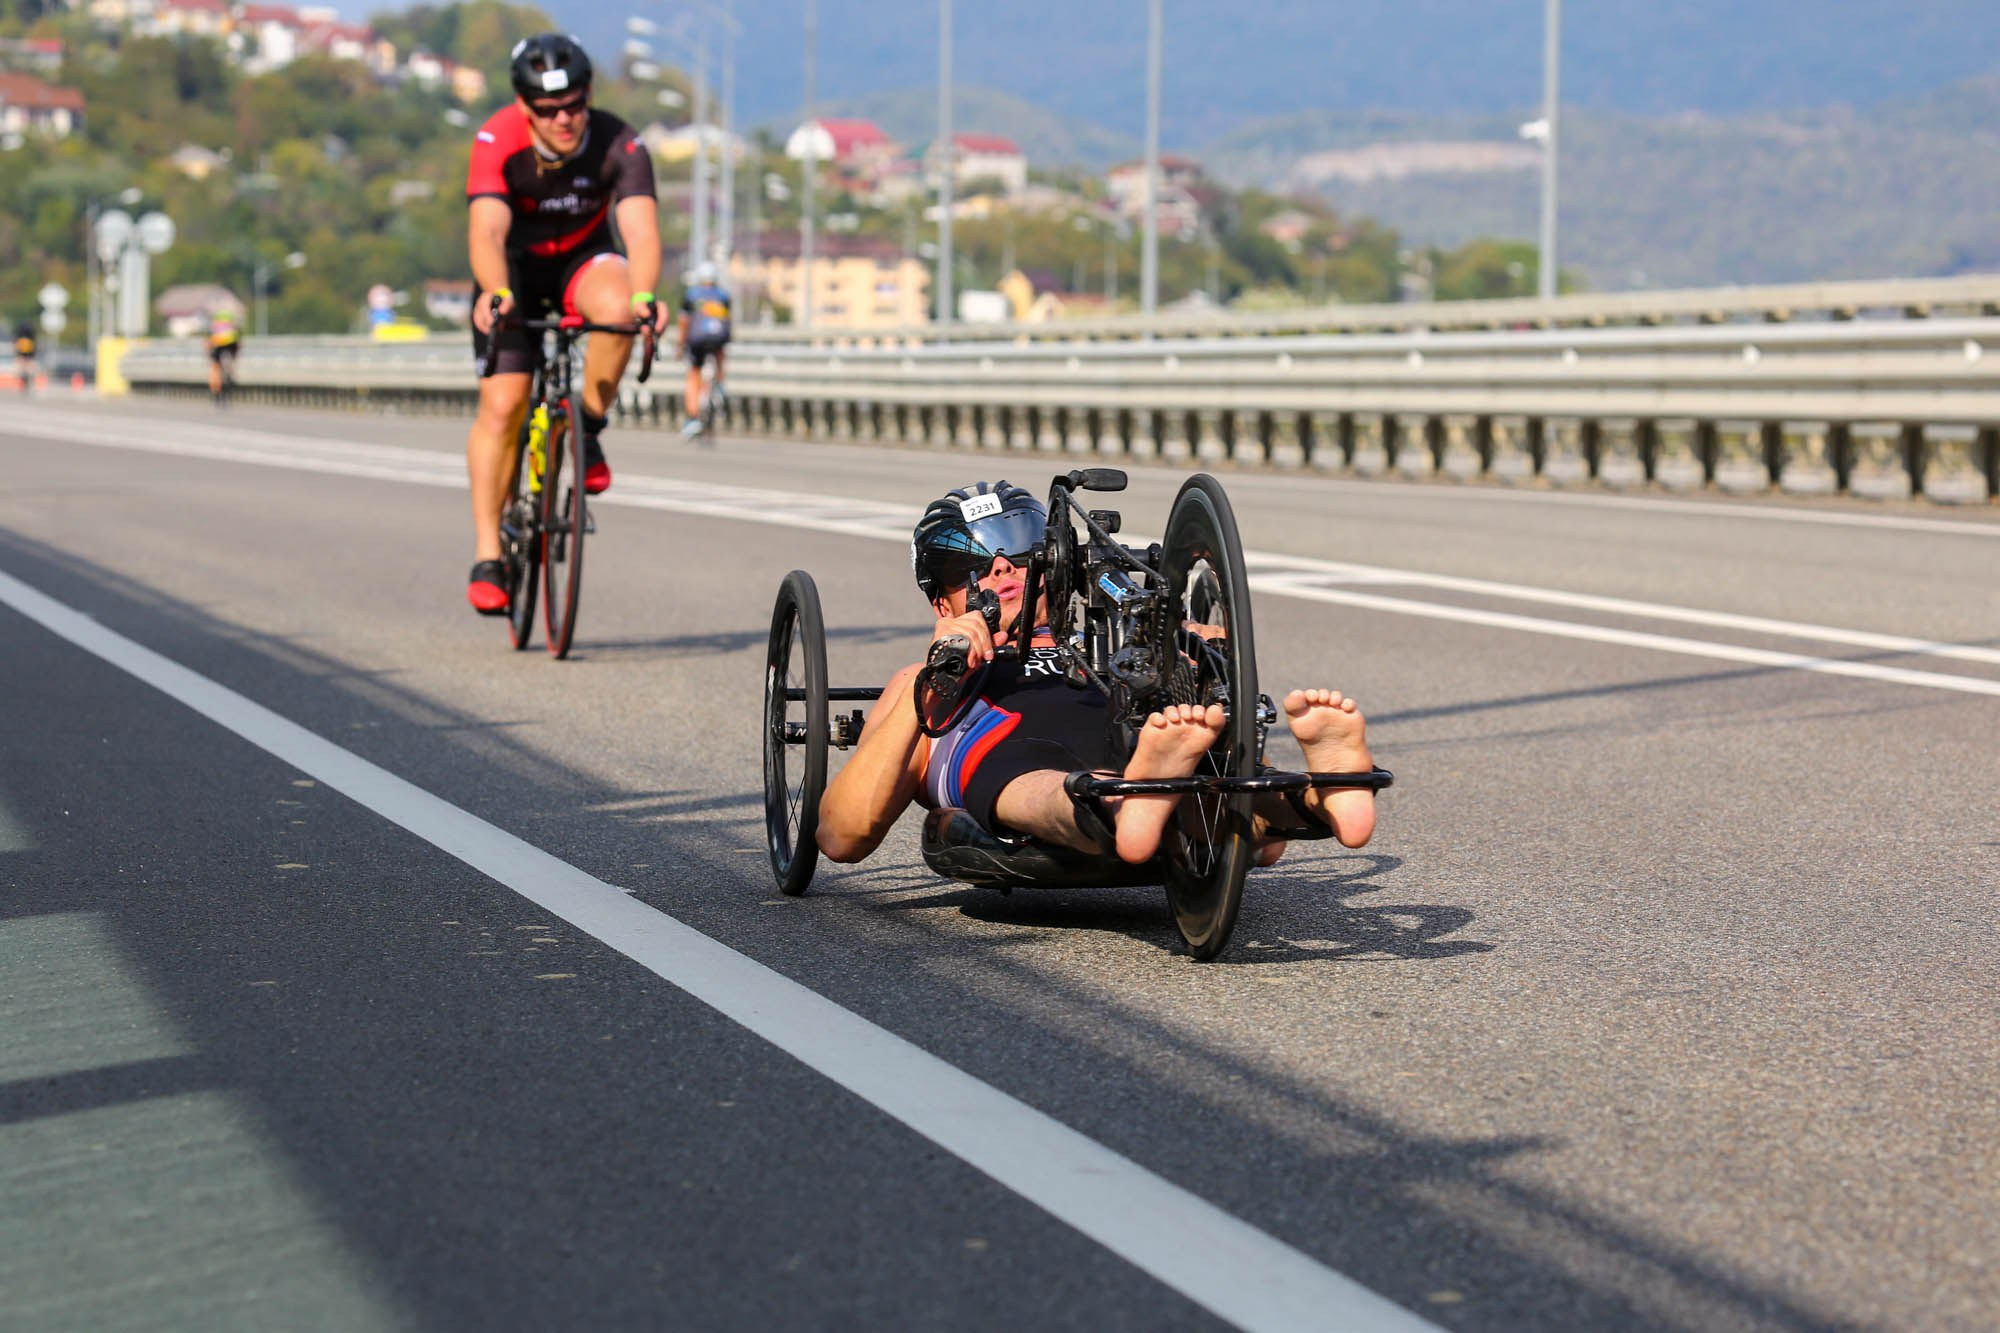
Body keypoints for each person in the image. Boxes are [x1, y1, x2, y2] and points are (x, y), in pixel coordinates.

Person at [815, 481, 1378, 869]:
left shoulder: (1117, 635)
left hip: (1142, 723)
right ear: (942, 602)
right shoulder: (927, 681)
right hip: (1012, 747)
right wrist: (938, 675)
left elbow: (1212, 654)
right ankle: (1130, 799)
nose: (1004, 568)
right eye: (974, 566)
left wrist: (1200, 648)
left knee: (1209, 753)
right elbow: (843, 835)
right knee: (1030, 772)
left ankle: (1322, 794)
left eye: (1018, 548)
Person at [462, 32, 667, 616]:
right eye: (548, 110)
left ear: (588, 95)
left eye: (574, 105)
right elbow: (487, 232)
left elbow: (642, 231)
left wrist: (649, 295)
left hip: (581, 260)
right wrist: (496, 291)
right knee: (502, 407)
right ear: (525, 106)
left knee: (622, 305)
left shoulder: (620, 144)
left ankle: (588, 423)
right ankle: (487, 553)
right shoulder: (496, 140)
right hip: (514, 272)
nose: (563, 119)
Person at [677, 261, 731, 437]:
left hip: (697, 341)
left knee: (693, 375)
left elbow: (684, 322)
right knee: (720, 354)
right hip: (718, 340)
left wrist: (680, 344)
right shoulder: (723, 296)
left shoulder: (692, 295)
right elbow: (727, 323)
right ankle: (722, 384)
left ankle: (693, 417)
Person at [206, 308, 241, 403]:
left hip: (219, 345)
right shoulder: (231, 323)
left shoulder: (215, 324)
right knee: (229, 363)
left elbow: (210, 341)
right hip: (231, 344)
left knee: (216, 368)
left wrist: (208, 352)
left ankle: (216, 391)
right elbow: (237, 340)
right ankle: (230, 375)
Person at [13, 319, 36, 394]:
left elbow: (16, 344)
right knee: (28, 367)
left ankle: (22, 380)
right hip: (28, 352)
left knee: (21, 366)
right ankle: (27, 380)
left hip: (22, 351)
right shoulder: (30, 335)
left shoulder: (20, 335)